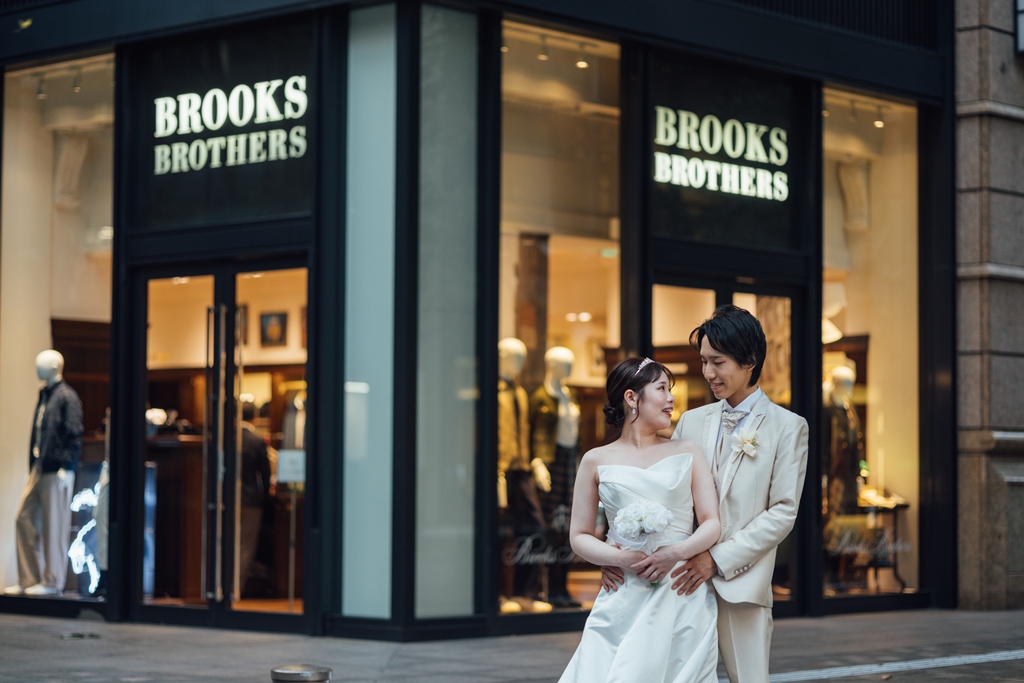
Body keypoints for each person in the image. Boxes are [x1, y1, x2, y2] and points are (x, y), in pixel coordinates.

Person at [605, 305, 809, 683]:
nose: (708, 373)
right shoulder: (691, 420)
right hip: (678, 581)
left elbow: (782, 512)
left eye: (718, 361)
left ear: (749, 360)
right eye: (703, 361)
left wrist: (715, 559)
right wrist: (617, 550)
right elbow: (665, 494)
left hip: (740, 584)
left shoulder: (788, 427)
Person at [559, 357, 721, 683]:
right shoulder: (595, 460)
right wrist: (619, 558)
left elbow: (711, 523)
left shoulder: (687, 450)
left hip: (680, 588)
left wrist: (676, 553)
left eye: (670, 389)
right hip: (624, 590)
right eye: (662, 388)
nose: (671, 398)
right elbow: (579, 536)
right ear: (632, 398)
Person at [4, 350, 84, 597]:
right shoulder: (46, 395)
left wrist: (66, 467)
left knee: (54, 526)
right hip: (39, 467)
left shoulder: (67, 397)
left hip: (56, 469)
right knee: (23, 519)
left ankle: (53, 581)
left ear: (54, 366)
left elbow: (74, 432)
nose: (38, 368)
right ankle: (29, 579)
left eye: (43, 364)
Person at [239, 402, 272, 593]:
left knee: (228, 543)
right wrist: (266, 493)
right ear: (255, 417)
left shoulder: (229, 439)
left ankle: (224, 587)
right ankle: (237, 588)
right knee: (246, 545)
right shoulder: (257, 441)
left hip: (228, 500)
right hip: (251, 500)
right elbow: (265, 475)